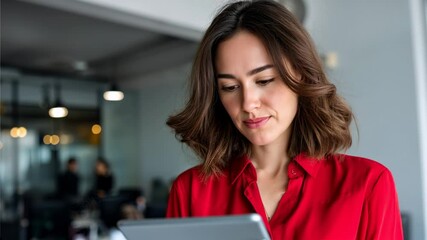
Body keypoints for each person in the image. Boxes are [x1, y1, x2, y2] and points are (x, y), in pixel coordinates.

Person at [165, 1, 403, 239]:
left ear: (300, 75)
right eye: (230, 87)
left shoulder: (369, 184)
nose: (248, 103)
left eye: (265, 80)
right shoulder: (190, 191)